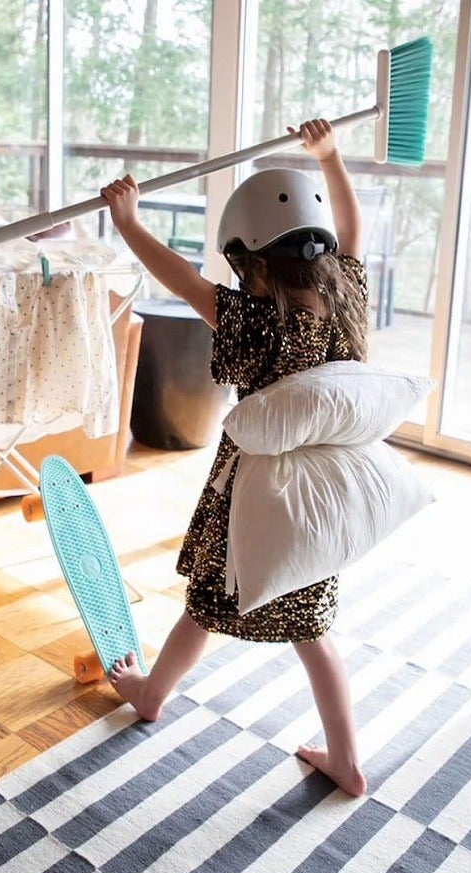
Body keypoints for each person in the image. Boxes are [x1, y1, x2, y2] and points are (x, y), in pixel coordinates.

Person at [100, 119, 368, 797]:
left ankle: (152, 693)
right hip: (321, 491)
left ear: (253, 262)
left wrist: (128, 225)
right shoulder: (344, 298)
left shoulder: (254, 321)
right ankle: (346, 757)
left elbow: (184, 281)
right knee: (312, 628)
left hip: (255, 488)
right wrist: (330, 157)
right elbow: (352, 231)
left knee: (208, 602)